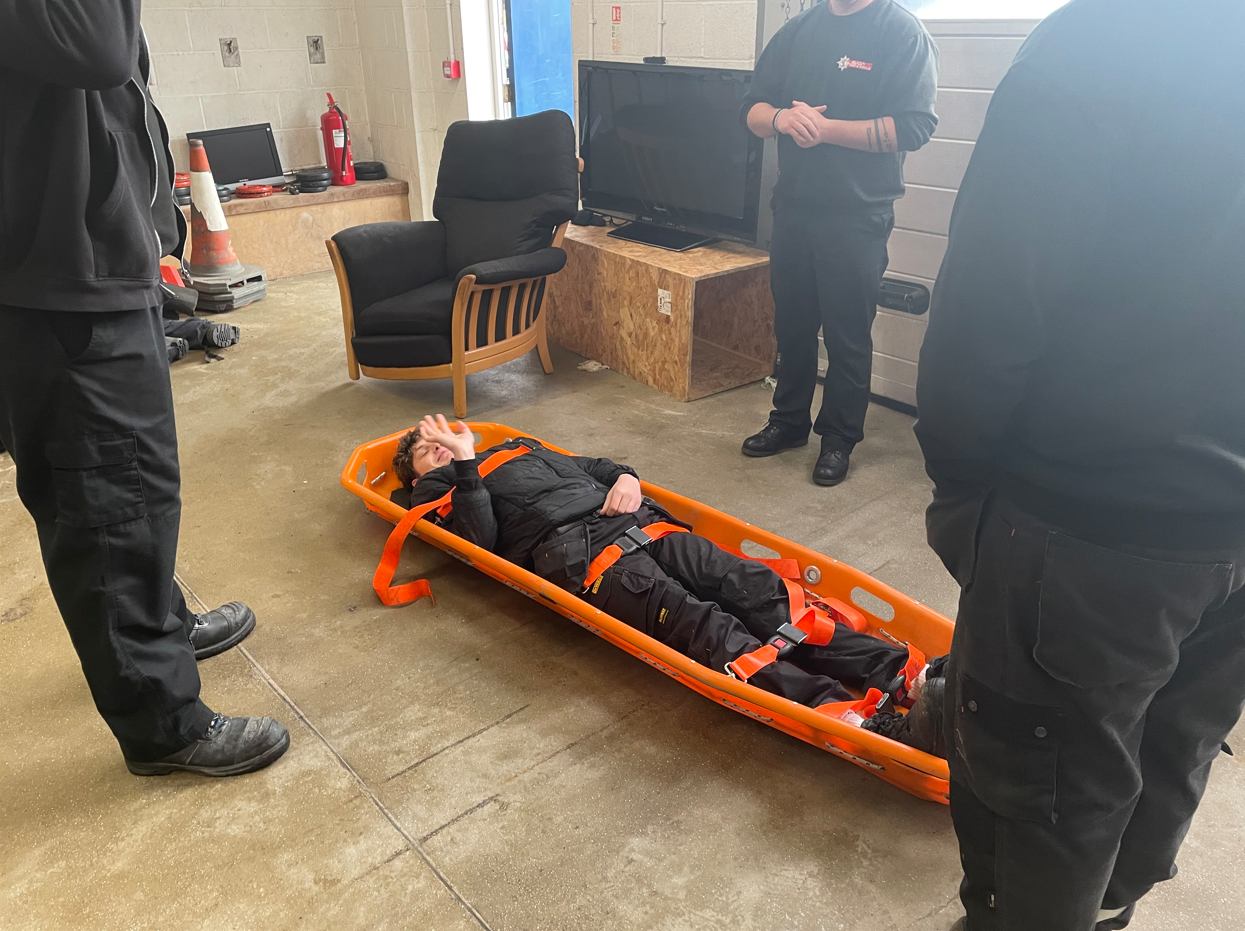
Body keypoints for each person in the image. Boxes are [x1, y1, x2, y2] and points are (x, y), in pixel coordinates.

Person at [913, 2, 1245, 929]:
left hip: (1087, 524)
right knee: (1174, 744)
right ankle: (1106, 913)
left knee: (1048, 790)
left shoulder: (1103, 44)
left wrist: (963, 490)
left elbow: (988, 306)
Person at [0, 3, 289, 777]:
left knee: (138, 486)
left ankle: (158, 627)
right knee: (104, 506)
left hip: (95, 267)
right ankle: (162, 723)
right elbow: (97, 49)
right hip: (57, 281)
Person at [395, 415, 947, 755]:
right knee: (710, 629)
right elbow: (478, 541)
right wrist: (463, 464)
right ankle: (861, 724)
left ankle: (906, 675)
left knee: (758, 588)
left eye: (442, 437)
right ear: (418, 474)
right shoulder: (437, 493)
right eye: (427, 448)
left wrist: (628, 479)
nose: (439, 445)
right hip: (585, 557)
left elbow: (598, 464)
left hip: (640, 521)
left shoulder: (518, 445)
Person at [740, 0, 938, 486]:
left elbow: (915, 126)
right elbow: (751, 108)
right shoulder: (799, 30)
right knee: (793, 326)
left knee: (848, 335)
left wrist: (825, 131)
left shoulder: (901, 32)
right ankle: (788, 423)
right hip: (794, 208)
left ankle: (838, 439)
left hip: (859, 215)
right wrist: (782, 118)